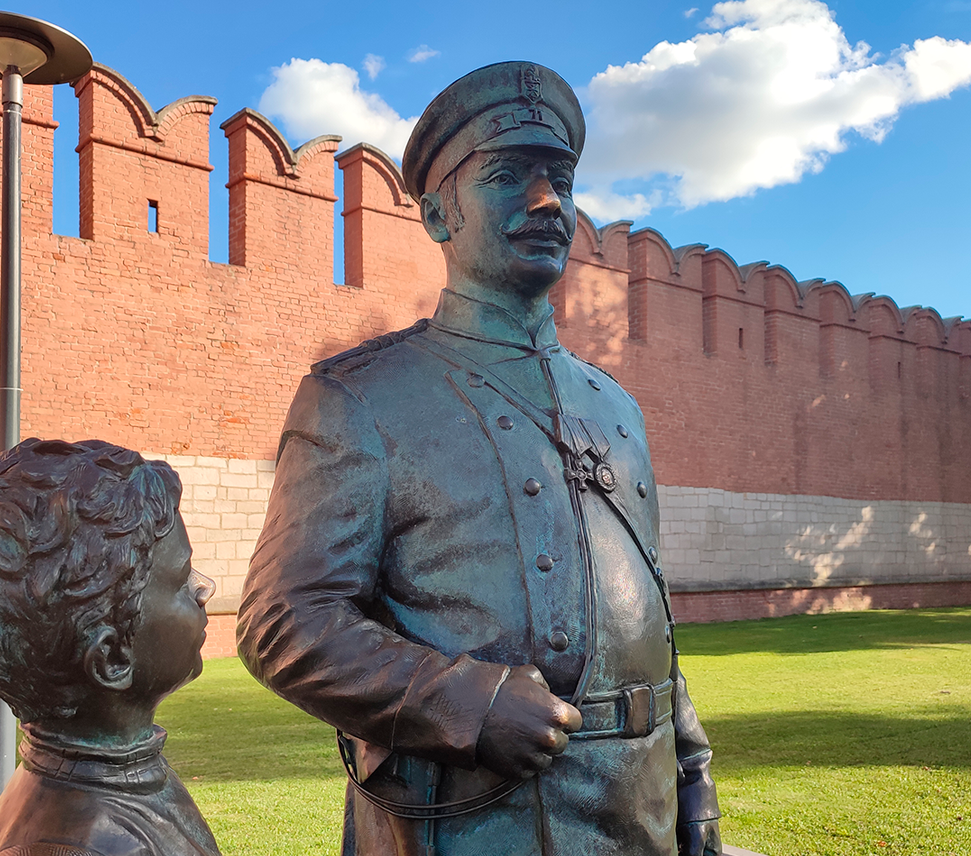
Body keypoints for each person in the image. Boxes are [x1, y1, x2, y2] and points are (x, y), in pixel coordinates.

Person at [237, 61, 723, 855]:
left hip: (643, 818)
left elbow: (645, 625)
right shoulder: (360, 398)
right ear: (436, 213)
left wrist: (694, 780)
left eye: (559, 177)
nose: (546, 202)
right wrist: (461, 700)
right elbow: (281, 620)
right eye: (507, 176)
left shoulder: (619, 411)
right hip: (467, 824)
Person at [0, 438, 220, 856]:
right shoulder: (92, 844)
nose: (203, 590)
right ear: (111, 659)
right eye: (181, 580)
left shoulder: (109, 778)